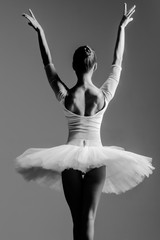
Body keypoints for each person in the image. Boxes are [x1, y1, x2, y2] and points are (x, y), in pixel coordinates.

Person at [15, 3, 154, 240]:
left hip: (69, 158)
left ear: (73, 66)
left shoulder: (66, 96)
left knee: (77, 219)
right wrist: (122, 28)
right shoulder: (103, 96)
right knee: (88, 217)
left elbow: (48, 66)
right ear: (95, 66)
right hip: (98, 157)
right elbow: (117, 62)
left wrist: (40, 32)